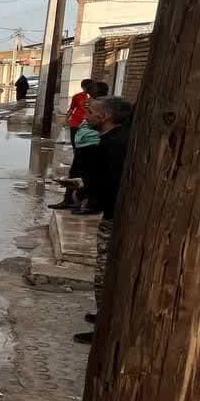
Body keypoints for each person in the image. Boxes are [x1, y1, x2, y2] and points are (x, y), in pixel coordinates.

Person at [73, 96, 133, 345]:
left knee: (104, 274)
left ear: (105, 116)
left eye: (91, 112)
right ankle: (103, 318)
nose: (86, 117)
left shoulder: (114, 144)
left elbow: (109, 182)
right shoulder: (116, 139)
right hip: (115, 214)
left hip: (115, 216)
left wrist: (86, 195)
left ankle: (105, 331)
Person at [67, 79, 94, 146]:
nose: (87, 88)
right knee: (74, 142)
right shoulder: (77, 96)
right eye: (86, 87)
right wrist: (66, 119)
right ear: (82, 87)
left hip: (88, 123)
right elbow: (71, 108)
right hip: (76, 122)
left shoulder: (94, 98)